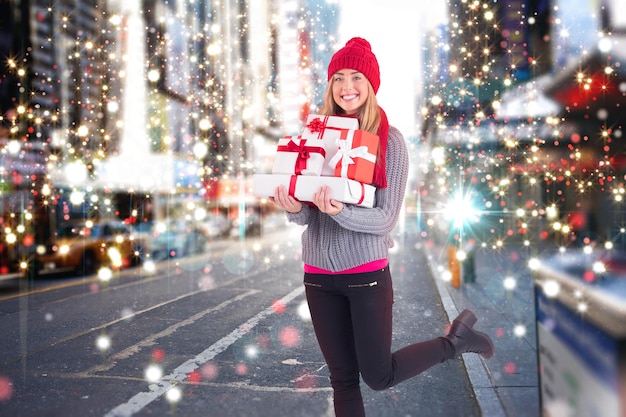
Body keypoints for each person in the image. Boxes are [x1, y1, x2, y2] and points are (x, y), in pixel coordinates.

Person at [270, 37, 495, 417]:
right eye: (338, 78)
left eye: (356, 77)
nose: (346, 87)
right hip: (318, 276)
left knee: (378, 375)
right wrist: (293, 207)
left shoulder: (389, 142)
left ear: (370, 85)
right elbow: (308, 213)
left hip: (365, 276)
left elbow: (385, 220)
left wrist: (340, 210)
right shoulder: (315, 136)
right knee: (341, 379)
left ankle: (454, 342)